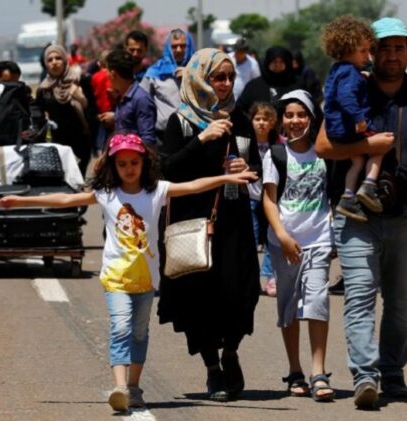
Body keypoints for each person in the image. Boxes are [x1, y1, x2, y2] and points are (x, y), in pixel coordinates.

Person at [0, 132, 257, 412]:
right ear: (113, 167)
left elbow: (193, 186)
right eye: (122, 164)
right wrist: (20, 201)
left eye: (134, 162)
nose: (129, 168)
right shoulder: (107, 195)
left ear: (144, 163)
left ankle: (133, 386)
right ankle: (120, 387)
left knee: (139, 334)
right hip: (116, 279)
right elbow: (64, 200)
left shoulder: (157, 191)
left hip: (146, 280)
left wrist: (226, 179)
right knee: (121, 328)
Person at [315, 17, 407, 409]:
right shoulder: (353, 86)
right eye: (385, 48)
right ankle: (366, 376)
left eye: (400, 48)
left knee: (399, 303)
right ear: (371, 51)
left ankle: (392, 374)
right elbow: (323, 146)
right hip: (356, 215)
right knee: (360, 295)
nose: (393, 55)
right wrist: (369, 145)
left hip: (406, 214)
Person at [157, 48, 262, 402]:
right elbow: (168, 169)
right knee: (200, 297)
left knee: (242, 293)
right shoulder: (182, 121)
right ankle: (213, 368)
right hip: (193, 221)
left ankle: (231, 351)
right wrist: (203, 139)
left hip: (234, 222)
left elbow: (256, 165)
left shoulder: (240, 120)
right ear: (201, 78)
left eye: (230, 77)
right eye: (219, 77)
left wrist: (245, 170)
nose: (226, 83)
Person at [262, 89, 334, 402]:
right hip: (284, 244)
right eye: (289, 115)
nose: (295, 121)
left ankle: (319, 372)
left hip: (318, 240)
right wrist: (282, 236)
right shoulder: (276, 155)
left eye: (302, 114)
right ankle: (295, 370)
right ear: (282, 120)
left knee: (317, 303)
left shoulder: (324, 153)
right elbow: (269, 200)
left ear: (312, 118)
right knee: (288, 306)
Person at [322, 15, 381, 223]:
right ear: (347, 50)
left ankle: (347, 196)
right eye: (363, 51)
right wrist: (359, 118)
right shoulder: (350, 73)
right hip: (347, 127)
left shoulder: (339, 69)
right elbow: (346, 96)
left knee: (357, 161)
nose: (367, 56)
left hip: (336, 128)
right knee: (381, 146)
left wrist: (362, 78)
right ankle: (369, 185)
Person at [36, 45, 90, 175]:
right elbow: (39, 115)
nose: (54, 62)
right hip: (57, 142)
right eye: (50, 60)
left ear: (65, 60)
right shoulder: (43, 89)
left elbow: (92, 111)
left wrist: (80, 98)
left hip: (80, 140)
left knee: (78, 178)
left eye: (58, 58)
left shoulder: (80, 81)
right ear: (46, 64)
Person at [141, 28, 195, 144]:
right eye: (174, 46)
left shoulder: (198, 70)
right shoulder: (155, 71)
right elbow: (141, 100)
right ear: (168, 48)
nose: (178, 50)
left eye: (183, 46)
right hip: (162, 136)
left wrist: (191, 74)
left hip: (191, 135)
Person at [248, 101, 279, 296]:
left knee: (271, 237)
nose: (261, 123)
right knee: (250, 236)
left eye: (266, 119)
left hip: (270, 196)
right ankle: (250, 278)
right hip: (250, 195)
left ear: (273, 123)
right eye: (257, 119)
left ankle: (271, 277)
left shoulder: (278, 144)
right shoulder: (245, 142)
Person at [106, 49, 156, 146]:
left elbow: (148, 140)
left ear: (113, 74)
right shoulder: (122, 96)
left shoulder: (141, 99)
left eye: (106, 71)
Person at [236, 46, 300, 114]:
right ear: (268, 62)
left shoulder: (296, 85)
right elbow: (240, 110)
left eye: (281, 62)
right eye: (275, 61)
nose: (278, 65)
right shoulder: (253, 86)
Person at [91, 50, 115, 154]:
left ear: (99, 63)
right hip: (111, 110)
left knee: (102, 138)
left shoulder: (95, 76)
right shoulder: (111, 76)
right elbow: (110, 90)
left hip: (100, 111)